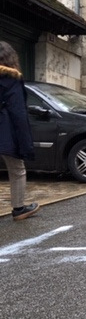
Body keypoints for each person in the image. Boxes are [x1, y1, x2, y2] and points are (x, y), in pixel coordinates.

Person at [0, 41, 39, 221]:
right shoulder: (12, 79)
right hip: (5, 132)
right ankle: (19, 208)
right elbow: (18, 111)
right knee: (17, 170)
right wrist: (25, 142)